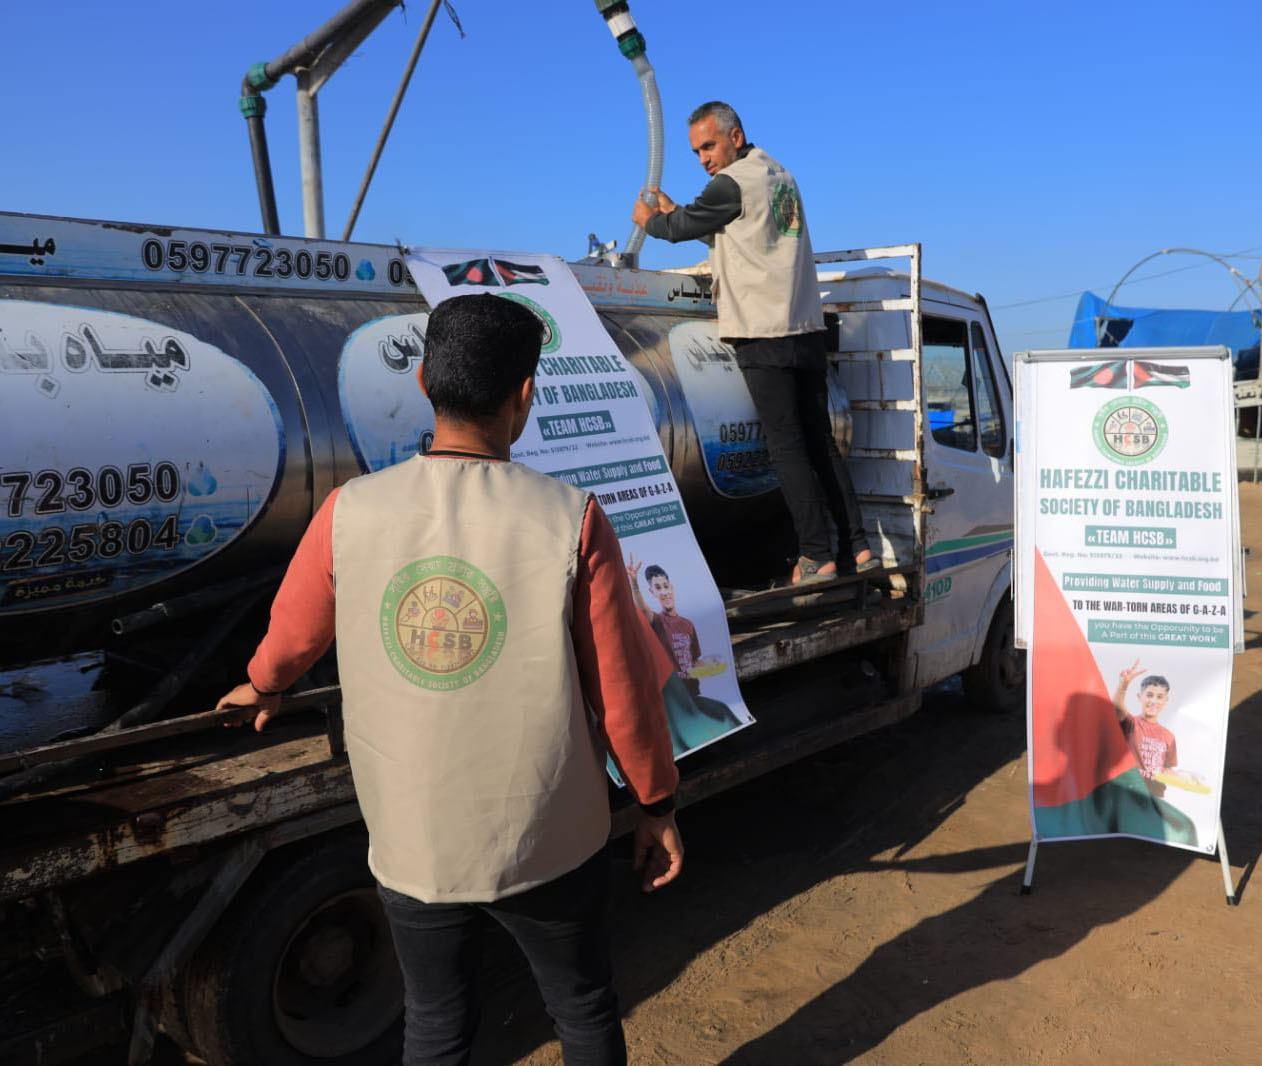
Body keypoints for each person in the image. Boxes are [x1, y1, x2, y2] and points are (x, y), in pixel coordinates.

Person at [214, 293, 683, 1066]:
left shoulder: (348, 510)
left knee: (435, 1024)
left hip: (413, 839)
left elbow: (294, 635)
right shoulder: (571, 518)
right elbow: (623, 690)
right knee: (584, 1007)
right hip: (548, 836)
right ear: (525, 394)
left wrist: (262, 686)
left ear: (426, 380)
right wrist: (656, 802)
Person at [632, 100, 876, 585]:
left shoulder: (732, 182)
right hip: (805, 329)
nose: (703, 159)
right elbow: (739, 233)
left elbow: (681, 229)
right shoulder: (779, 175)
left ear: (735, 137)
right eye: (696, 151)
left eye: (709, 146)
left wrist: (650, 219)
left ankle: (815, 556)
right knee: (820, 444)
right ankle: (858, 546)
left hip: (764, 335)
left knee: (786, 449)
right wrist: (681, 212)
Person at [625, 555, 740, 755]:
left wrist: (714, 666)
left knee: (726, 715)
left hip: (694, 696)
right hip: (675, 703)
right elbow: (643, 611)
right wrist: (634, 584)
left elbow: (695, 662)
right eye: (658, 588)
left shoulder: (688, 624)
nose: (664, 592)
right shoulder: (657, 621)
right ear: (652, 592)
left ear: (672, 587)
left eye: (665, 585)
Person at [1111, 660, 1179, 798]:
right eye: (1149, 695)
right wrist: (1123, 685)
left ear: (1166, 701)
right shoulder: (1131, 723)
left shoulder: (1169, 736)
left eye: (1159, 697)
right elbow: (1117, 709)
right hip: (1130, 793)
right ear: (1139, 697)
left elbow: (1166, 768)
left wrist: (1184, 778)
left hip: (1155, 798)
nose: (1153, 701)